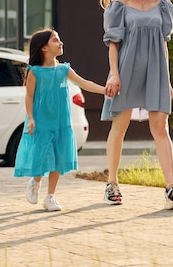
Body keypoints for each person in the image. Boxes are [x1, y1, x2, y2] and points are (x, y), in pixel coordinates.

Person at [99, 0, 173, 210]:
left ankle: (172, 188)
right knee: (120, 125)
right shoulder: (118, 6)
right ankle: (112, 184)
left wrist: (167, 80)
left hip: (156, 72)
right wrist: (114, 74)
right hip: (126, 70)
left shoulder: (163, 6)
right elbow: (113, 44)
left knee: (160, 127)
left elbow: (163, 45)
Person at [14, 28, 106, 211]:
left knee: (57, 158)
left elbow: (84, 83)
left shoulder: (64, 69)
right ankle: (36, 181)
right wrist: (31, 118)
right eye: (55, 40)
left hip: (61, 122)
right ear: (44, 48)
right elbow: (29, 97)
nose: (60, 43)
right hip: (42, 122)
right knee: (41, 156)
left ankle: (50, 197)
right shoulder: (35, 72)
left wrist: (104, 90)